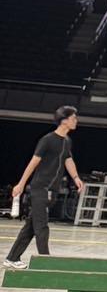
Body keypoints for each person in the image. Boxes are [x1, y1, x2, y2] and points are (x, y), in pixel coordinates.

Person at [5, 106, 83, 268]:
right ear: (64, 120)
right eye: (73, 118)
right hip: (40, 188)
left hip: (52, 190)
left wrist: (76, 178)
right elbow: (33, 162)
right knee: (42, 227)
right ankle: (45, 263)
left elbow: (68, 160)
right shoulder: (47, 140)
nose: (76, 121)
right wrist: (21, 183)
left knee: (30, 227)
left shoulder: (67, 141)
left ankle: (11, 258)